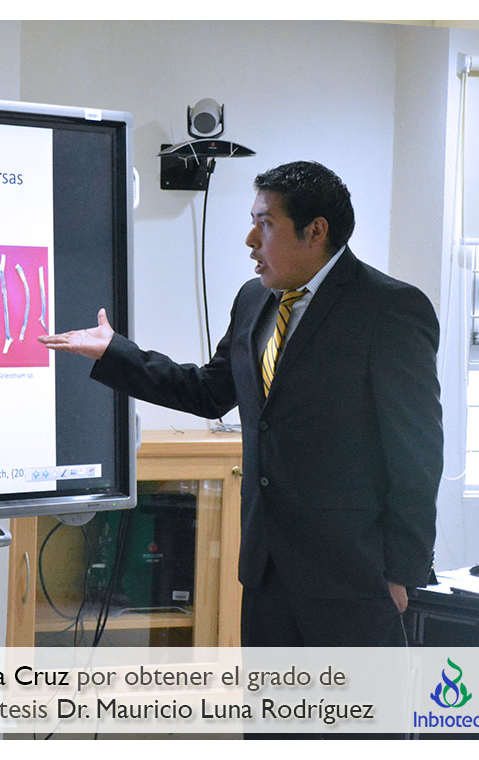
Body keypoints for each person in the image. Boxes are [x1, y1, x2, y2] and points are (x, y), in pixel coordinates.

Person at [40, 161, 442, 647]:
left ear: (316, 231)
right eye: (253, 222)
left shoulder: (389, 309)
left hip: (353, 577)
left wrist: (402, 572)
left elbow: (416, 455)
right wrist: (115, 352)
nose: (250, 240)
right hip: (265, 571)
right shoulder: (254, 299)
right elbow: (209, 392)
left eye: (265, 224)